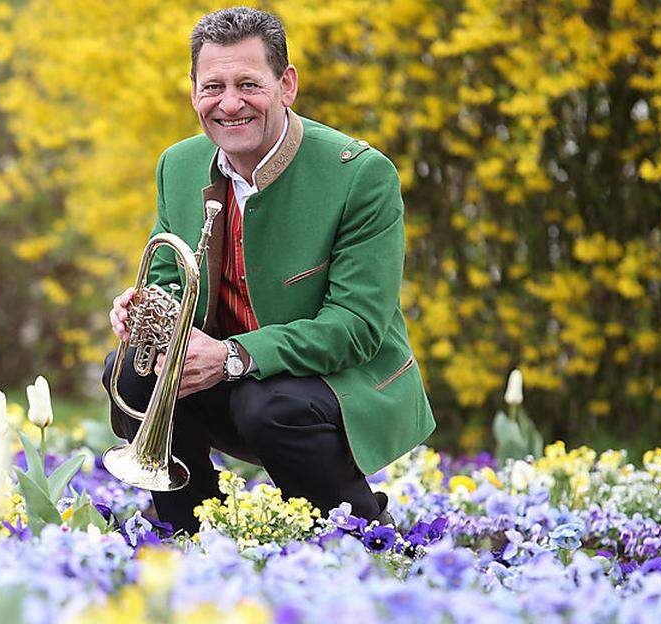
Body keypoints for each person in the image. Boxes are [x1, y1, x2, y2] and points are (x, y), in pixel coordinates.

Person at [102, 6, 436, 534]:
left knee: (268, 403)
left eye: (248, 84)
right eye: (212, 86)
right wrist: (144, 311)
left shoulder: (362, 176)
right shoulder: (178, 164)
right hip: (226, 373)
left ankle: (362, 533)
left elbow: (356, 327)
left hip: (335, 381)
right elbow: (167, 274)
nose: (229, 103)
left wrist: (235, 356)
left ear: (287, 85)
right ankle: (193, 533)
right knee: (136, 372)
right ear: (193, 92)